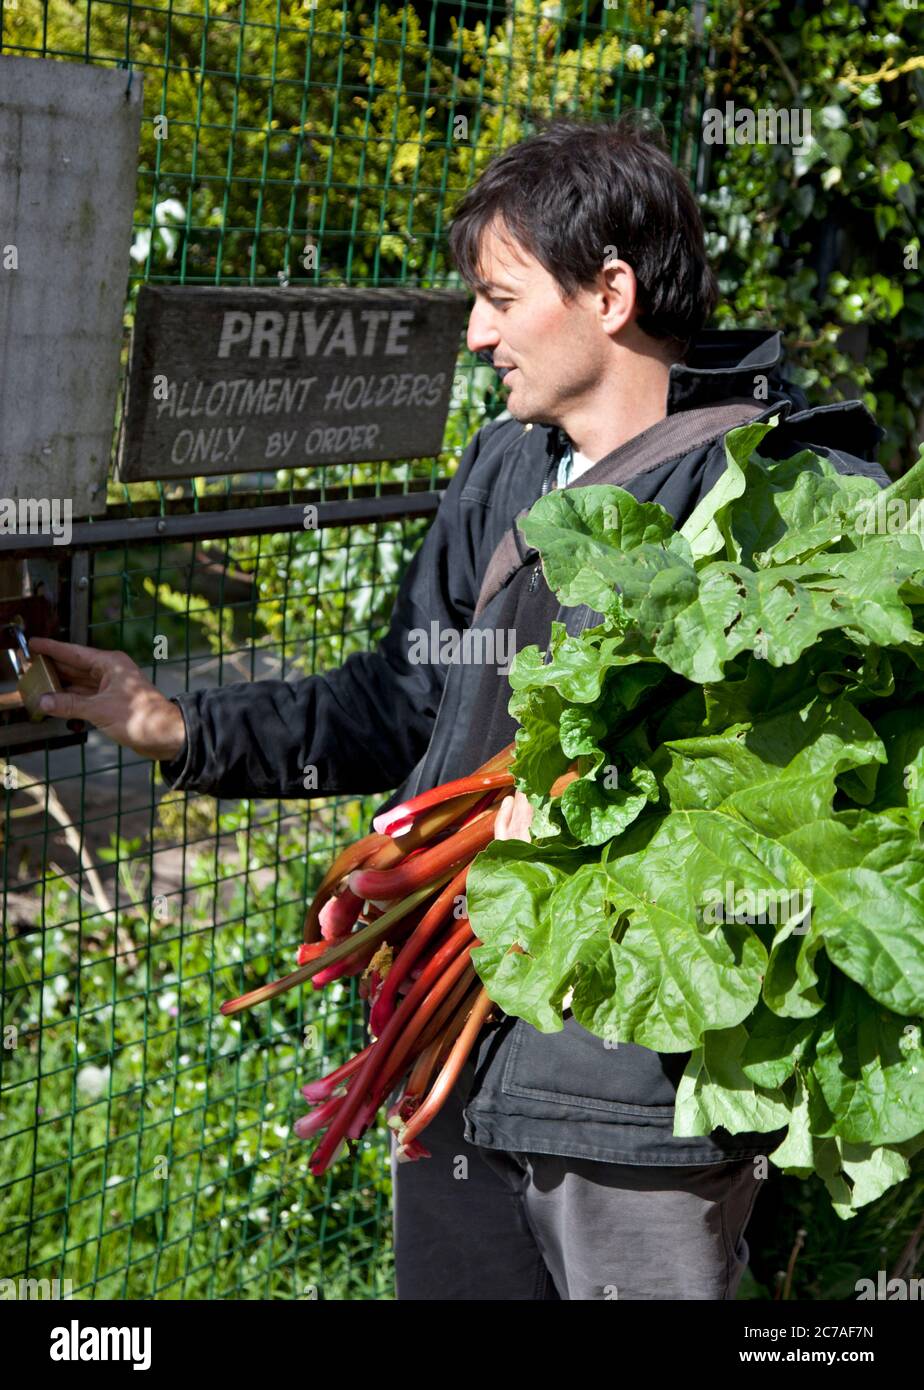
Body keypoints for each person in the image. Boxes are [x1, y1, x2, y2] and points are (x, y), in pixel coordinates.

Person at [31, 114, 890, 1301]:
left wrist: (608, 827)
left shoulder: (795, 496)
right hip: (455, 1064)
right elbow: (404, 698)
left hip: (630, 1101)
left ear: (610, 290)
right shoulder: (509, 468)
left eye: (498, 297)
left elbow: (834, 794)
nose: (477, 332)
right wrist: (174, 724)